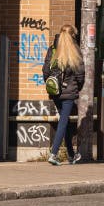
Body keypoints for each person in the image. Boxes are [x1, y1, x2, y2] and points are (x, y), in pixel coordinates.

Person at [42, 25, 85, 165]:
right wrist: (77, 88)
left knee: (64, 122)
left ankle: (71, 155)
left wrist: (52, 85)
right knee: (63, 122)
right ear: (72, 35)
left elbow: (45, 71)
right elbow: (80, 75)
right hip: (69, 92)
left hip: (55, 92)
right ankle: (53, 154)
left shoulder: (53, 49)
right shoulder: (74, 50)